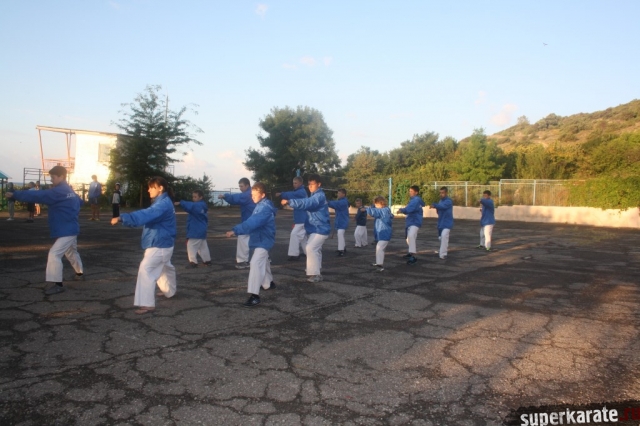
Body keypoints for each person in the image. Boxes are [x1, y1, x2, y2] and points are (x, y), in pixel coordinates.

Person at [7, 166, 84, 295]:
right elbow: (80, 202)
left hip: (66, 230)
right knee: (71, 252)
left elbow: (38, 195)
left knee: (54, 254)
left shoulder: (58, 192)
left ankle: (58, 285)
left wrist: (15, 194)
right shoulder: (69, 190)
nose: (51, 180)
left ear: (61, 176)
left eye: (53, 177)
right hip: (71, 227)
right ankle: (79, 273)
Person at [111, 176, 177, 315]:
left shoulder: (162, 204)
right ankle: (169, 291)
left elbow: (146, 214)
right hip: (165, 243)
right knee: (165, 267)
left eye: (151, 187)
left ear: (160, 188)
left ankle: (147, 304)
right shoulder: (164, 202)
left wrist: (123, 218)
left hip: (159, 244)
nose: (148, 190)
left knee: (146, 270)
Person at [226, 182, 277, 307]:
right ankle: (269, 283)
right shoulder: (261, 205)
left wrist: (235, 230)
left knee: (255, 263)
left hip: (264, 240)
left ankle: (255, 296)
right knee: (263, 260)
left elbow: (253, 222)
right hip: (261, 238)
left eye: (255, 195)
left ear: (263, 195)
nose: (252, 197)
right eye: (252, 194)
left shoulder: (264, 208)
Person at [281, 173, 330, 283]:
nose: (310, 187)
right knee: (315, 249)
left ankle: (316, 274)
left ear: (319, 184)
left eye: (312, 184)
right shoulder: (315, 195)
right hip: (316, 228)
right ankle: (316, 270)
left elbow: (307, 203)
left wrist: (290, 201)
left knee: (310, 248)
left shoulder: (318, 196)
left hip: (320, 228)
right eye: (309, 184)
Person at [218, 178, 256, 269]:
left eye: (241, 186)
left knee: (243, 237)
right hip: (253, 219)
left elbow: (237, 198)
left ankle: (242, 261)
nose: (240, 188)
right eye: (239, 186)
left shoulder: (247, 194)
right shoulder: (252, 193)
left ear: (247, 185)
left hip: (249, 220)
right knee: (256, 239)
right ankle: (264, 258)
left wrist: (225, 196)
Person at [174, 189, 211, 268]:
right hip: (201, 229)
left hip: (195, 230)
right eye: (193, 197)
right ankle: (207, 260)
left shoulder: (197, 206)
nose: (193, 198)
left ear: (201, 197)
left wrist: (181, 203)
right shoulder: (202, 206)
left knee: (191, 245)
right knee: (202, 246)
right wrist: (182, 204)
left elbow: (190, 206)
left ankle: (193, 262)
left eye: (195, 197)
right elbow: (190, 207)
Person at [276, 176, 308, 261]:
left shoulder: (301, 192)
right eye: (293, 183)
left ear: (301, 183)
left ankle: (294, 254)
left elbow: (291, 195)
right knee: (303, 237)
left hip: (302, 218)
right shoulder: (300, 192)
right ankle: (308, 252)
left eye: (296, 183)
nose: (294, 184)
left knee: (294, 234)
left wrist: (282, 194)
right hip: (301, 218)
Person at [363, 196, 393, 272]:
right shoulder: (385, 210)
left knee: (379, 248)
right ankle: (379, 263)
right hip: (383, 233)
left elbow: (375, 212)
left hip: (385, 233)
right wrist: (369, 207)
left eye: (377, 204)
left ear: (381, 203)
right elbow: (375, 209)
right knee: (379, 248)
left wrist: (367, 209)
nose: (375, 206)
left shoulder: (384, 211)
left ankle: (380, 265)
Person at [397, 185, 425, 265]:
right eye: (409, 191)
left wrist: (401, 210)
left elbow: (409, 209)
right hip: (411, 221)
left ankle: (413, 256)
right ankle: (410, 253)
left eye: (411, 191)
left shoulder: (415, 200)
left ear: (416, 192)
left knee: (411, 236)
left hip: (414, 221)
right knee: (408, 238)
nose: (410, 193)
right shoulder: (414, 200)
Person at [430, 186, 453, 260]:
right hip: (441, 223)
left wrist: (435, 205)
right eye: (440, 193)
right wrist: (436, 207)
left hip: (447, 223)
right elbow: (439, 210)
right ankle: (442, 250)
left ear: (446, 193)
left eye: (442, 193)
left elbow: (442, 207)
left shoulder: (448, 201)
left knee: (444, 236)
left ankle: (443, 254)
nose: (441, 194)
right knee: (441, 238)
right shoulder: (440, 201)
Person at [328, 188, 350, 257]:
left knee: (340, 234)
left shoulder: (343, 202)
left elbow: (335, 204)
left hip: (342, 220)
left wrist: (326, 202)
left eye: (339, 193)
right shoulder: (343, 201)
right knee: (340, 234)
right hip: (341, 220)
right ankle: (342, 247)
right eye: (338, 193)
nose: (338, 195)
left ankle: (341, 250)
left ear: (344, 194)